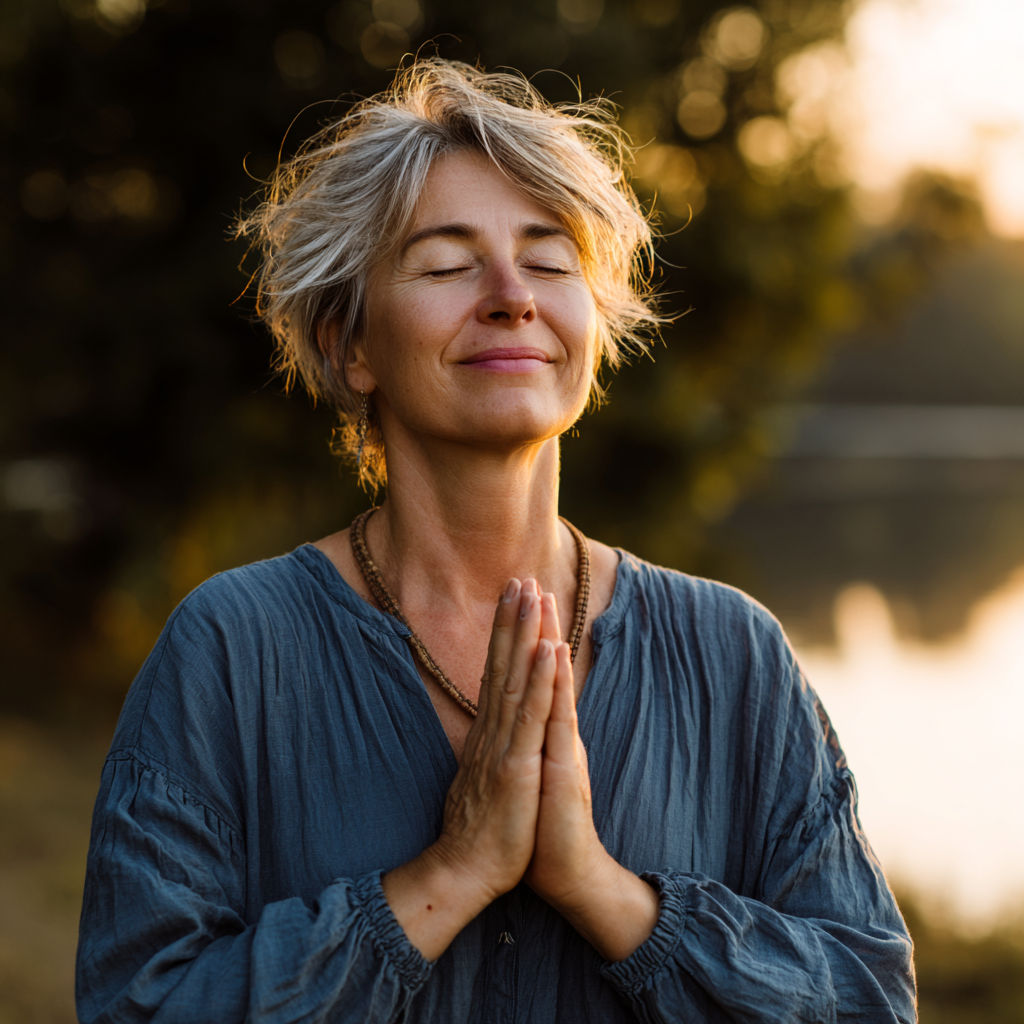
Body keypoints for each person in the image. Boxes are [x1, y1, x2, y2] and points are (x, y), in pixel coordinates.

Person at [76, 60, 915, 1023]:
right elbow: (136, 1007)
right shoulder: (228, 649)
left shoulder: (734, 654)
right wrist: (451, 875)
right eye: (445, 264)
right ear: (350, 344)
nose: (513, 295)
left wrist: (602, 889)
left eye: (551, 261)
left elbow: (870, 1000)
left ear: (588, 328)